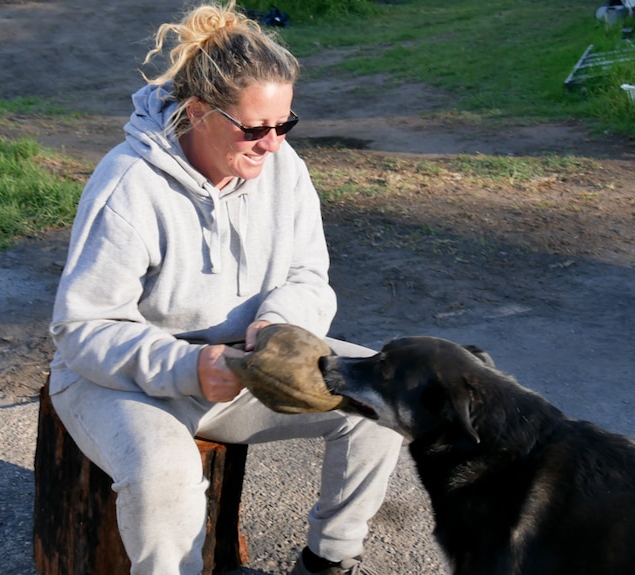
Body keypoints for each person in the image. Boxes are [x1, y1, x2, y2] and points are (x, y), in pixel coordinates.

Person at [47, 3, 403, 574]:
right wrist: (189, 368)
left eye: (284, 125)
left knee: (380, 396)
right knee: (166, 474)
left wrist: (278, 325)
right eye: (255, 128)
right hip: (122, 383)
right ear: (198, 111)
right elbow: (81, 329)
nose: (273, 145)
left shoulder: (285, 172)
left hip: (242, 369)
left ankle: (328, 561)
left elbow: (308, 276)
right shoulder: (129, 184)